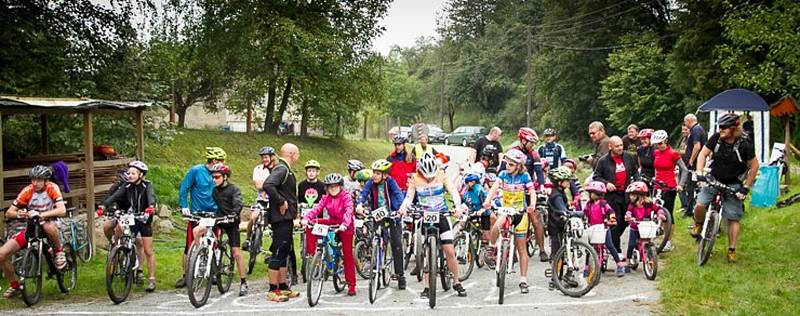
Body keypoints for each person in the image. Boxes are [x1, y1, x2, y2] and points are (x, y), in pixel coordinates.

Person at [691, 113, 759, 263]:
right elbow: (702, 154)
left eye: (724, 127)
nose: (720, 129)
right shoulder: (716, 138)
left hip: (734, 183)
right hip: (714, 179)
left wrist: (746, 188)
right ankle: (698, 224)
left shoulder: (745, 145)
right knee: (700, 205)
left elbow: (754, 167)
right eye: (719, 126)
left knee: (733, 218)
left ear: (734, 129)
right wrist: (700, 173)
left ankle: (731, 250)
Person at [400, 153, 467, 298]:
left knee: (449, 250)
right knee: (426, 252)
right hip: (425, 215)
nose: (429, 178)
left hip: (441, 214)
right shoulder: (415, 179)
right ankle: (426, 286)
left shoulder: (441, 174)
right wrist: (403, 207)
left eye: (432, 175)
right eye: (427, 175)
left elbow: (453, 191)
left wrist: (458, 206)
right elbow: (409, 197)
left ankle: (456, 282)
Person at [0, 166, 67, 299]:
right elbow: (9, 212)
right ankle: (15, 286)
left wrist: (42, 214)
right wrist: (21, 214)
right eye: (33, 180)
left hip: (50, 223)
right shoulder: (28, 190)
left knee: (48, 226)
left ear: (45, 180)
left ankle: (59, 251)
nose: (35, 183)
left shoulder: (52, 188)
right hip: (31, 227)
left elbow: (62, 210)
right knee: (2, 254)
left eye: (38, 180)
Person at [483, 149, 542, 294]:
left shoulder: (525, 176)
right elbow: (494, 188)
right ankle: (491, 247)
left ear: (518, 165)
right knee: (497, 224)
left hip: (520, 214)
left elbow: (532, 192)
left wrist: (532, 204)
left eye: (510, 164)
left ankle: (523, 280)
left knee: (521, 247)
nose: (507, 166)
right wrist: (487, 201)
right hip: (506, 210)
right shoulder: (503, 174)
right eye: (506, 163)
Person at [98, 161, 157, 292]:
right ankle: (121, 249)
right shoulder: (126, 186)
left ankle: (152, 279)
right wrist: (103, 205)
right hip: (131, 218)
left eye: (133, 173)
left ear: (140, 174)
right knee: (121, 229)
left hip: (144, 219)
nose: (130, 175)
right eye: (129, 173)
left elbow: (150, 196)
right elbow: (114, 196)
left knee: (148, 250)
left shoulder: (147, 185)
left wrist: (151, 207)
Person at [176, 147, 225, 288]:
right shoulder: (196, 171)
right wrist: (184, 206)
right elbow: (184, 188)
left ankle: (214, 271)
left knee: (214, 243)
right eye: (221, 161)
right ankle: (186, 275)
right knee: (190, 245)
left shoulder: (221, 173)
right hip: (197, 213)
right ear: (214, 160)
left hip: (214, 213)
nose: (223, 163)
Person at [301, 173, 357, 296]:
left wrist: (345, 224)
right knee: (312, 224)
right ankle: (313, 253)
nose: (333, 189)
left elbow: (349, 211)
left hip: (345, 226)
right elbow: (316, 209)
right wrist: (306, 218)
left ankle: (351, 284)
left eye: (335, 186)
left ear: (340, 186)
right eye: (330, 187)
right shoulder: (325, 198)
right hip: (332, 222)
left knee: (347, 255)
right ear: (327, 188)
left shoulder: (345, 197)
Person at [356, 159, 407, 289]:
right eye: (374, 173)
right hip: (378, 215)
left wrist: (401, 208)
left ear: (385, 175)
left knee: (396, 244)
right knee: (376, 242)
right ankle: (377, 271)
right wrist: (360, 204)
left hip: (392, 215)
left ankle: (400, 275)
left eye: (378, 173)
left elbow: (398, 194)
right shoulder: (370, 183)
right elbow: (363, 194)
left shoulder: (390, 182)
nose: (375, 176)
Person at [262, 143, 301, 302]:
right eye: (297, 153)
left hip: (288, 218)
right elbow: (268, 185)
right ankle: (273, 289)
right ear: (292, 154)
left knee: (285, 250)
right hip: (280, 218)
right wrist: (281, 201)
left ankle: (283, 286)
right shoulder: (282, 169)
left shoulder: (286, 169)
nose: (298, 157)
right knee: (278, 252)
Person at [205, 164, 248, 296]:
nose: (214, 180)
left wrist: (234, 213)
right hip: (219, 219)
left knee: (236, 253)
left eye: (217, 177)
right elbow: (218, 206)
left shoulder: (234, 190)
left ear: (225, 177)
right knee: (199, 231)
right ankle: (203, 256)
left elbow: (238, 203)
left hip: (231, 222)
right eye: (212, 177)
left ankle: (243, 282)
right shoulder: (215, 191)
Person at [592, 136, 640, 251]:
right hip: (612, 196)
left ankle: (611, 241)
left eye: (621, 145)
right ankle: (617, 250)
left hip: (626, 194)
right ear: (610, 147)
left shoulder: (628, 157)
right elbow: (596, 176)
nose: (620, 148)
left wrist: (638, 183)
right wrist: (606, 183)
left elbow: (635, 172)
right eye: (617, 146)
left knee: (626, 220)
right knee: (615, 222)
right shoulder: (603, 161)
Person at [650, 130, 688, 252]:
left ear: (666, 141)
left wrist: (680, 185)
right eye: (656, 144)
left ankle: (668, 241)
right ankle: (655, 233)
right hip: (657, 186)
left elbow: (684, 170)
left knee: (667, 215)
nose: (658, 146)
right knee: (654, 211)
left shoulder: (673, 153)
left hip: (669, 187)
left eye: (660, 143)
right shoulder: (656, 153)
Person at [583, 181, 625, 277]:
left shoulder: (603, 204)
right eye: (590, 193)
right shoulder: (588, 205)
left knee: (610, 245)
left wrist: (612, 219)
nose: (591, 195)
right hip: (593, 229)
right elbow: (584, 213)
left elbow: (611, 212)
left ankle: (619, 264)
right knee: (589, 249)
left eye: (593, 193)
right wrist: (582, 219)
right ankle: (586, 267)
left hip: (603, 228)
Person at [623, 181, 665, 272]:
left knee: (650, 242)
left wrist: (660, 214)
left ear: (640, 195)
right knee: (631, 244)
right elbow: (629, 212)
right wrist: (628, 217)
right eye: (630, 195)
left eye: (633, 195)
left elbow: (658, 208)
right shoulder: (632, 205)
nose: (631, 197)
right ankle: (628, 260)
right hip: (635, 227)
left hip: (646, 227)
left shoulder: (648, 204)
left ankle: (650, 256)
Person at [245, 146, 276, 252]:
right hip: (261, 200)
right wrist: (271, 185)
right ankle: (248, 240)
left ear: (272, 157)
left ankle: (274, 249)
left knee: (276, 224)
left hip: (274, 200)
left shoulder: (277, 169)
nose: (264, 160)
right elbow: (258, 185)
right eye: (262, 157)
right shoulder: (258, 169)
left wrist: (265, 185)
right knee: (253, 217)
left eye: (266, 157)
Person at [545, 167, 574, 262]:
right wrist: (577, 213)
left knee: (561, 248)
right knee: (556, 251)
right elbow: (562, 209)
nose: (569, 182)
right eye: (567, 180)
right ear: (559, 182)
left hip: (560, 223)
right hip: (555, 225)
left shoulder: (560, 191)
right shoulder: (556, 195)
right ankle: (555, 272)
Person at [683, 114, 707, 217]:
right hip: (698, 163)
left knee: (691, 187)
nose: (685, 125)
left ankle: (689, 211)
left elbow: (697, 146)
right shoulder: (700, 128)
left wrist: (691, 160)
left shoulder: (695, 130)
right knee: (693, 186)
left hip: (695, 164)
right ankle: (692, 209)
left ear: (689, 121)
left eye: (685, 122)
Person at [462, 173, 493, 242]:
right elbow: (464, 200)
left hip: (483, 213)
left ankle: (490, 245)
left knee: (487, 234)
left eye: (467, 183)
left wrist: (482, 210)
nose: (465, 185)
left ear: (473, 182)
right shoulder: (467, 191)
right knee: (462, 223)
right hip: (472, 211)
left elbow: (485, 202)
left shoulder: (479, 190)